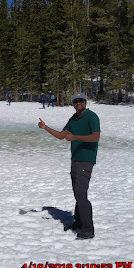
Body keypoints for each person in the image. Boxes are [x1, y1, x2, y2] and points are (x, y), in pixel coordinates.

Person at [37, 92, 100, 240]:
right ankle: (78, 222)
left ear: (85, 102)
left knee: (81, 195)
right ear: (73, 104)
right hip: (75, 160)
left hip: (86, 160)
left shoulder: (92, 117)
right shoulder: (73, 119)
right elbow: (61, 135)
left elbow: (95, 137)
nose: (79, 103)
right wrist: (45, 127)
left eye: (81, 101)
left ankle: (88, 230)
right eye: (76, 101)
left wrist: (75, 137)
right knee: (77, 193)